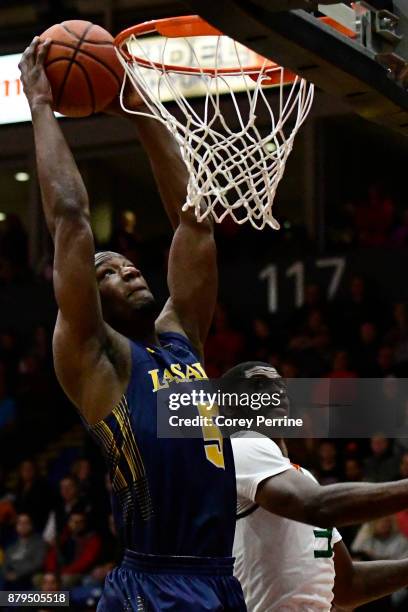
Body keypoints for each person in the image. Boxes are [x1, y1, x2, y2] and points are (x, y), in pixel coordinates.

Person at [19, 37, 244, 612]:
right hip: (154, 583)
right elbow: (70, 221)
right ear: (87, 299)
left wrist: (135, 107)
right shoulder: (96, 359)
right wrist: (41, 106)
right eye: (108, 271)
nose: (127, 267)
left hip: (220, 577)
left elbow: (195, 222)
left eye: (127, 262)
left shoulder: (181, 340)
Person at [223, 361, 408, 611]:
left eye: (279, 383)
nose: (276, 390)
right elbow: (318, 505)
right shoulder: (241, 445)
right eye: (259, 385)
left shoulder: (303, 479)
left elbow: (347, 586)